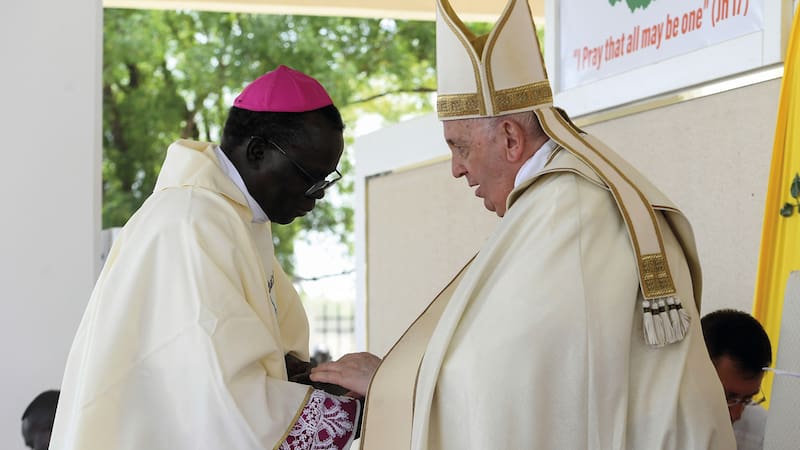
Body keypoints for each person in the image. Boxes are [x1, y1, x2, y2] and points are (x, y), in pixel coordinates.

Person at [310, 0, 736, 448]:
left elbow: (516, 386)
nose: (456, 169)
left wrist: (391, 385)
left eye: (460, 147)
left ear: (511, 138)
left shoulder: (568, 211)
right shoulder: (570, 198)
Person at [49, 65, 362, 450]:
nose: (318, 195)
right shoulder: (192, 222)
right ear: (257, 152)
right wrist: (351, 410)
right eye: (310, 177)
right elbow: (219, 396)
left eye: (328, 180)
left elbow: (248, 354)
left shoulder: (239, 219)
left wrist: (309, 377)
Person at [702, 309, 772, 450]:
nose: (737, 414)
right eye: (728, 398)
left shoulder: (764, 434)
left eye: (747, 399)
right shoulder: (655, 426)